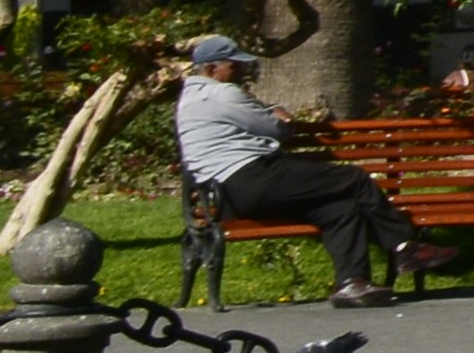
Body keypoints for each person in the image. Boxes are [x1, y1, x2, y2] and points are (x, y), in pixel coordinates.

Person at [174, 33, 416, 304]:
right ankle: (405, 246)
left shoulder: (189, 99)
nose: (241, 70)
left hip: (227, 196)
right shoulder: (222, 93)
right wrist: (282, 118)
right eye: (234, 65)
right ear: (211, 69)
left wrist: (271, 111)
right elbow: (275, 128)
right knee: (354, 177)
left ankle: (353, 283)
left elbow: (250, 118)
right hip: (253, 177)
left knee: (341, 209)